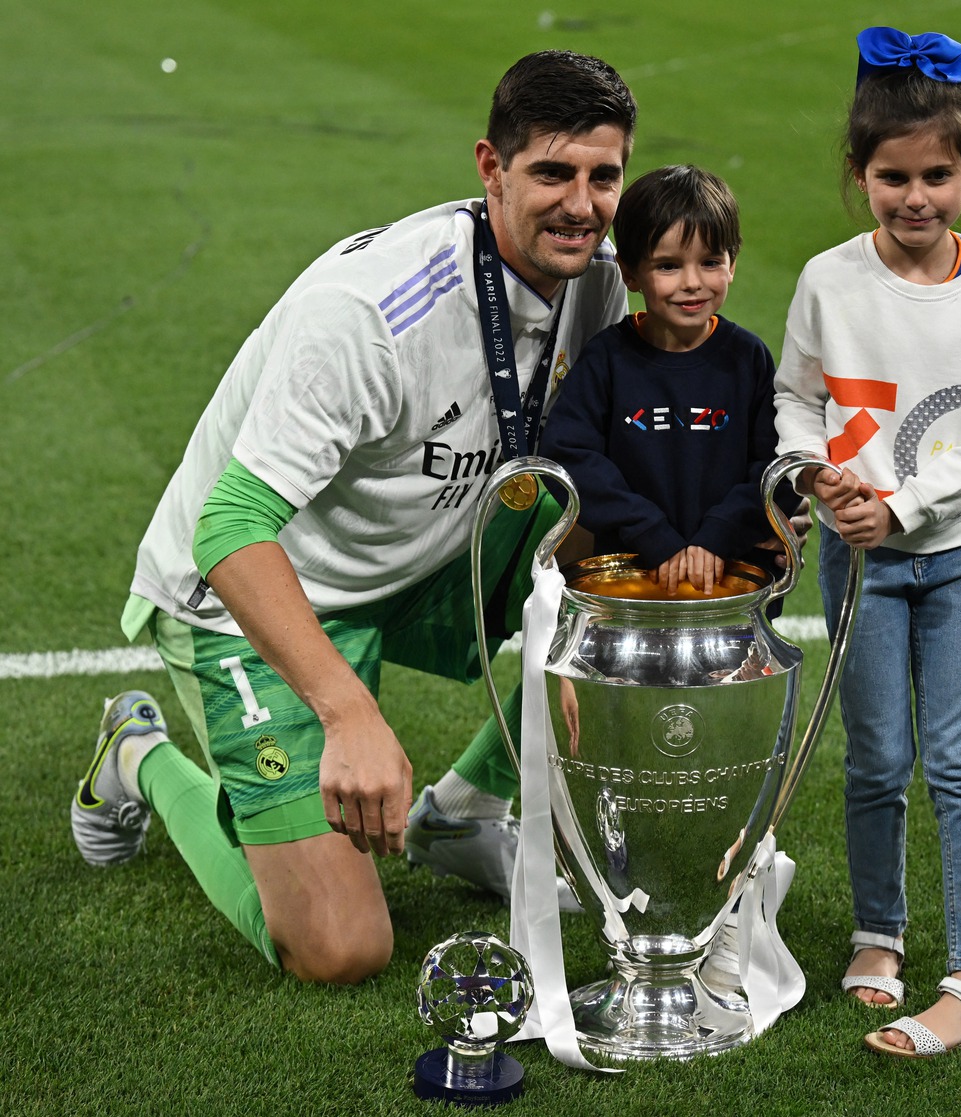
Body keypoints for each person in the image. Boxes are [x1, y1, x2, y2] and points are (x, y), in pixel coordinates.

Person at [70, 50, 638, 984]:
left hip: (426, 556)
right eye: (552, 173)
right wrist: (350, 712)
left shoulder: (599, 283)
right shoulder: (371, 314)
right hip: (258, 586)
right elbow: (230, 531)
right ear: (491, 168)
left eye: (602, 176)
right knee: (340, 949)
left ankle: (461, 813)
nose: (581, 204)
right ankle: (137, 754)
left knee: (636, 558)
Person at [773, 26, 961, 1056]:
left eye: (935, 174)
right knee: (876, 761)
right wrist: (812, 473)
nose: (913, 196)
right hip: (855, 566)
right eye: (891, 177)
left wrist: (905, 505)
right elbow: (797, 397)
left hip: (955, 556)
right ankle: (875, 932)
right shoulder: (827, 282)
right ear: (857, 176)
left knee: (960, 764)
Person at [540, 164, 801, 596]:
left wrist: (718, 536)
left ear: (733, 263)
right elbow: (568, 455)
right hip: (628, 582)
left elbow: (777, 465)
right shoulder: (608, 358)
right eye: (668, 266)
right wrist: (652, 535)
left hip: (729, 582)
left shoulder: (747, 358)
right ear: (630, 272)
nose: (692, 283)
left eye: (711, 262)